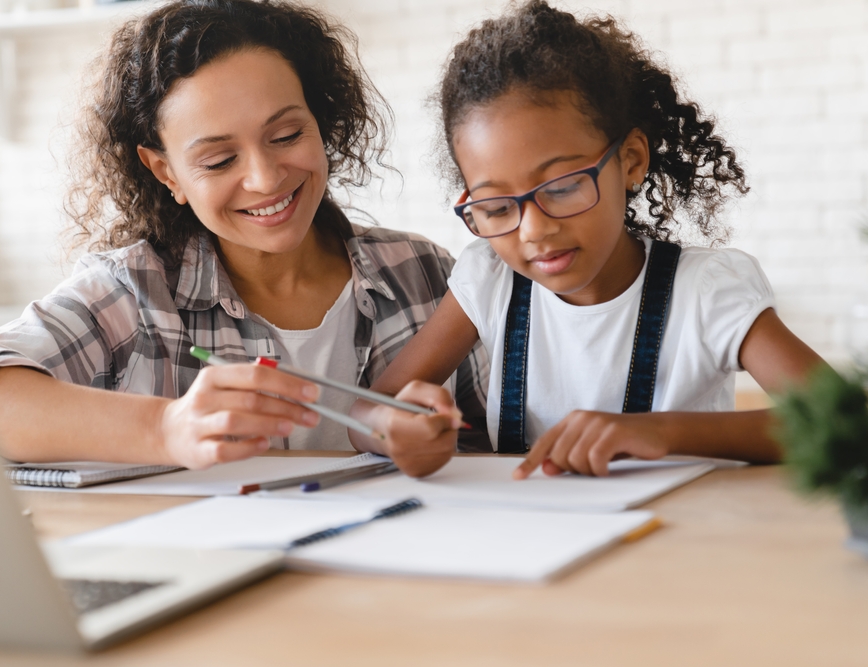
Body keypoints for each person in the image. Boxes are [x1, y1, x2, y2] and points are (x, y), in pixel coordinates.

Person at [0, 0, 490, 469]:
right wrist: (165, 428)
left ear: (320, 121)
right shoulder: (135, 293)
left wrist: (441, 439)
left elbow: (500, 441)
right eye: (219, 159)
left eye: (286, 134)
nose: (265, 178)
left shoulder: (425, 272)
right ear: (166, 173)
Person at [349, 0, 823, 478]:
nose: (534, 230)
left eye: (561, 187)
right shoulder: (489, 279)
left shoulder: (706, 292)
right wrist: (393, 425)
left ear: (632, 161)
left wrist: (662, 432)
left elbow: (842, 422)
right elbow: (364, 412)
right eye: (495, 208)